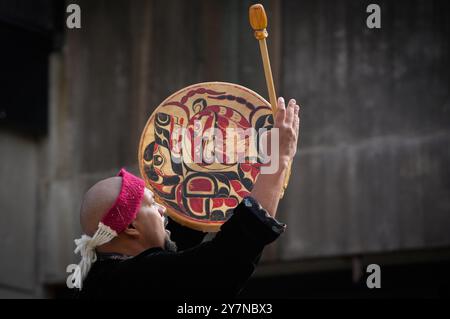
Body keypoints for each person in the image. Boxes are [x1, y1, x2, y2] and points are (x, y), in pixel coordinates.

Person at [67, 97, 300, 299]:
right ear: (131, 227)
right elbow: (225, 262)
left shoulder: (105, 278)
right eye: (153, 204)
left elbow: (181, 240)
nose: (163, 211)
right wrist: (277, 159)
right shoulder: (132, 280)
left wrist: (209, 162)